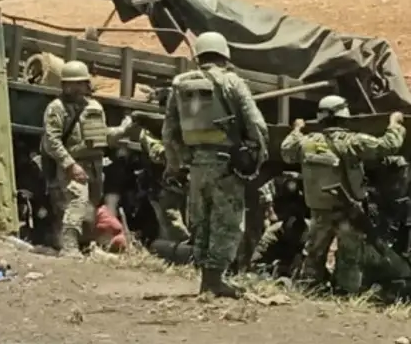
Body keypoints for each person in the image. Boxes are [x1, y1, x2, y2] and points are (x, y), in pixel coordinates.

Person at [162, 31, 268, 298]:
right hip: (226, 165)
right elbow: (256, 124)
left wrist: (175, 163)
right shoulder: (231, 82)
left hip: (197, 164)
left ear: (198, 56)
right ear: (224, 55)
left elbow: (169, 130)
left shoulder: (180, 84)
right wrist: (257, 156)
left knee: (201, 220)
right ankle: (215, 280)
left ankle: (206, 280)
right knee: (227, 221)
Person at [280, 95, 405, 294]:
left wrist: (297, 129)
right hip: (348, 210)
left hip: (319, 210)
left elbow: (286, 152)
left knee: (314, 252)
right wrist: (395, 124)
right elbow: (388, 146)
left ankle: (309, 288)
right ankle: (345, 293)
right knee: (349, 255)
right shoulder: (351, 141)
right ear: (344, 116)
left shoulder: (306, 143)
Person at [40, 60, 109, 256]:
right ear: (65, 85)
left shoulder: (94, 106)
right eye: (73, 83)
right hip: (73, 163)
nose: (78, 88)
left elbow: (102, 135)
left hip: (95, 165)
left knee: (91, 205)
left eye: (81, 83)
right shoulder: (57, 108)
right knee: (77, 202)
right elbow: (51, 141)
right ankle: (69, 247)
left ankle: (85, 245)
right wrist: (70, 165)